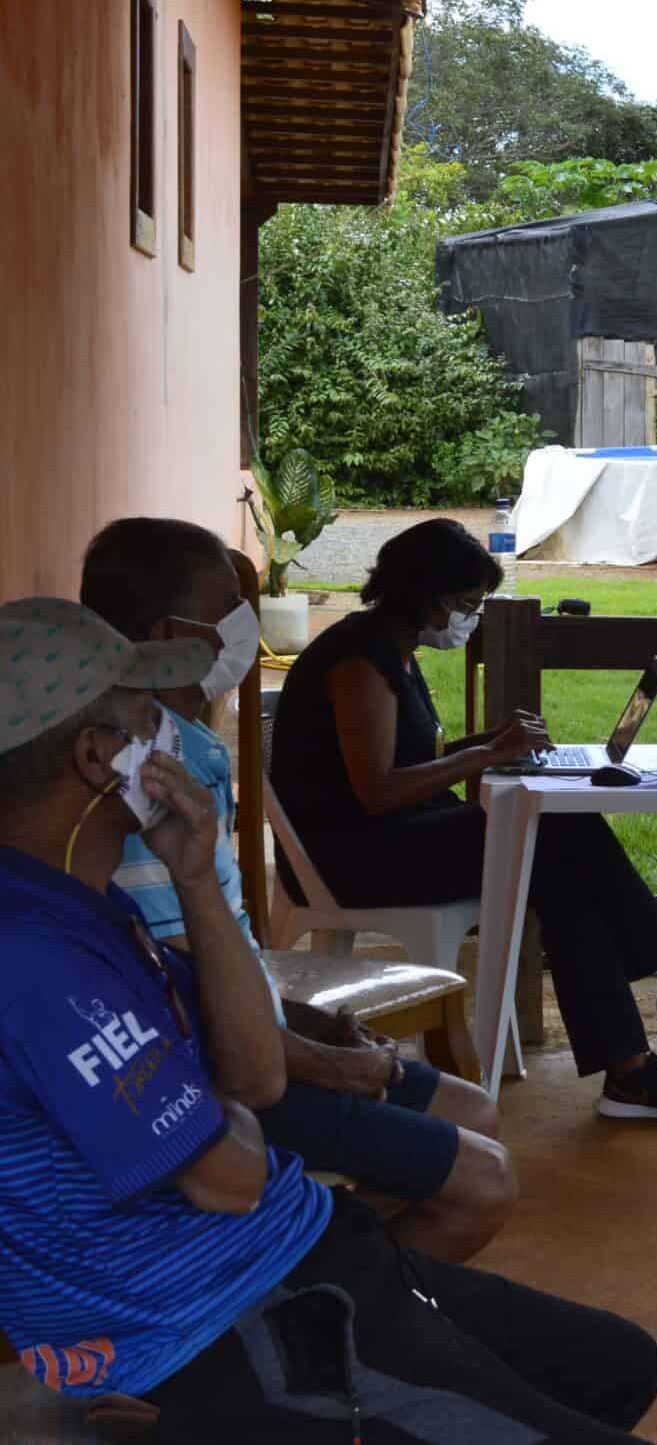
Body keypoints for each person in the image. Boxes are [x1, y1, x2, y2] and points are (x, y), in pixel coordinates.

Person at [0, 596, 657, 1440]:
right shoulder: (33, 957)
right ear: (99, 757)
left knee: (619, 1365)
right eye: (146, 715)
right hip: (221, 1329)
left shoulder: (80, 909)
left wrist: (197, 878)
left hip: (300, 1258)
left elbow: (255, 1076)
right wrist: (211, 1087)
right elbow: (231, 1175)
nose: (168, 733)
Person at [81, 517, 515, 1262]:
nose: (244, 628)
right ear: (170, 635)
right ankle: (323, 1284)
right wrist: (332, 1063)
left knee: (472, 1110)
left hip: (252, 1027)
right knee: (482, 1178)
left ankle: (336, 1263)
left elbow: (218, 959)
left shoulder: (180, 743)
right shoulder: (141, 774)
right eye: (228, 608)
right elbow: (186, 1000)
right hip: (215, 1074)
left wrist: (311, 1024)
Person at [269, 519, 657, 1125]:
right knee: (556, 834)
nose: (470, 618)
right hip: (349, 859)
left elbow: (401, 759)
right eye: (466, 605)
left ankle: (632, 1065)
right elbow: (377, 791)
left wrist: (487, 744)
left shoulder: (391, 648)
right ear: (426, 595)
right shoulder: (360, 661)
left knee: (557, 860)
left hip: (385, 837)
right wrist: (486, 754)